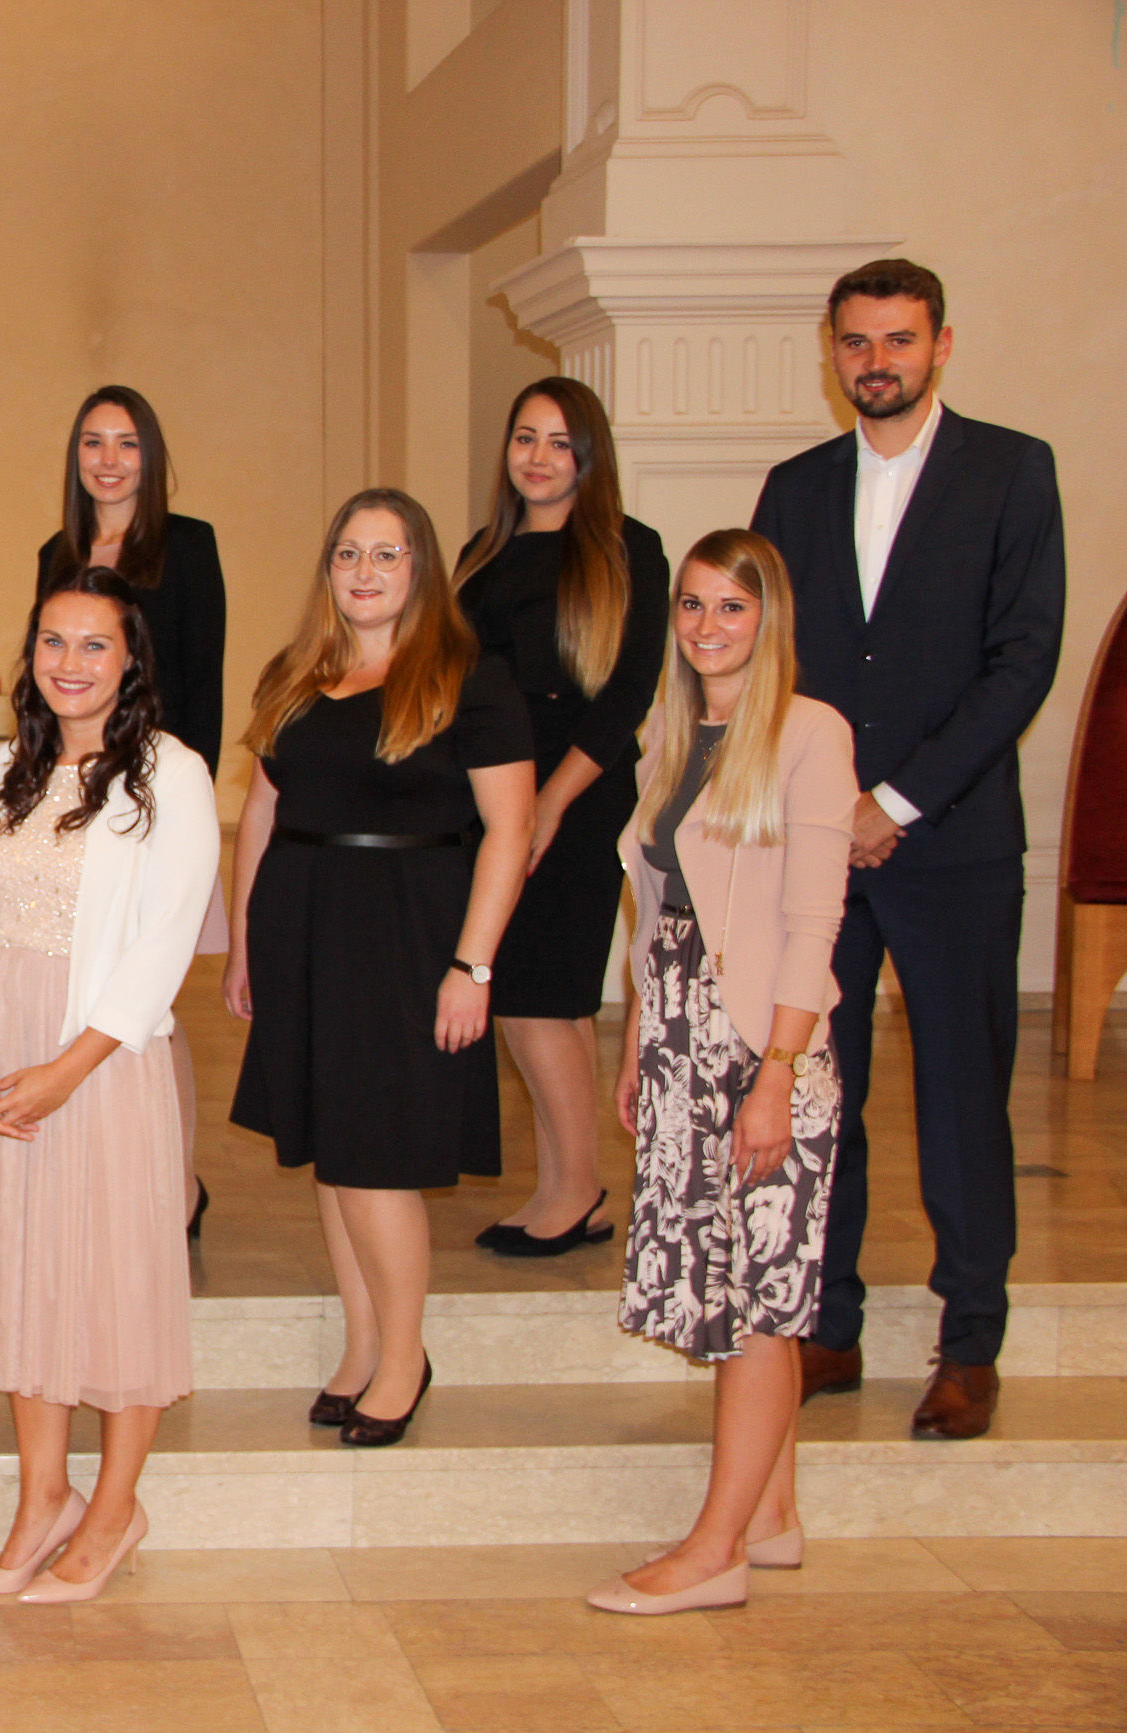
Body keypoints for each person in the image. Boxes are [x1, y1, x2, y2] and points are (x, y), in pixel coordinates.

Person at [750, 259, 1066, 1440]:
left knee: (961, 1100)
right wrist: (823, 804)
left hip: (954, 844)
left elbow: (1021, 659)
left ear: (940, 345)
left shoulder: (1009, 470)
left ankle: (968, 1339)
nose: (873, 361)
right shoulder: (792, 489)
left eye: (896, 339)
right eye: (854, 341)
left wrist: (896, 798)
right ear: (829, 351)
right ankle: (826, 1324)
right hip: (818, 851)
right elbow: (765, 658)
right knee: (818, 1092)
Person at [224, 489, 533, 1447]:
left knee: (377, 1158)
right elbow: (263, 813)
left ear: (421, 567)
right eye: (348, 554)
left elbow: (511, 831)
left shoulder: (468, 678)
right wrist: (244, 943)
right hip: (303, 928)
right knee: (333, 1149)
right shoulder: (295, 674)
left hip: (407, 933)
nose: (365, 572)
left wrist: (473, 967)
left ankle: (405, 1356)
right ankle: (362, 1346)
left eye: (387, 554)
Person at [0, 565, 217, 1603]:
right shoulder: (1, 769)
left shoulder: (170, 773)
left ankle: (113, 1509)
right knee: (24, 1271)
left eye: (94, 643)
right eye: (52, 640)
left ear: (130, 659)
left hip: (100, 1055)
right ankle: (41, 1498)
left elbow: (162, 944)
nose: (69, 662)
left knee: (110, 1277)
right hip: (3, 1049)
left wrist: (65, 1069)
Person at [587, 530, 854, 1616]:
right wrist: (634, 1040)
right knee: (727, 1281)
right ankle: (772, 1514)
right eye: (692, 605)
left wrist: (775, 1075)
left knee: (757, 1303)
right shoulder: (667, 728)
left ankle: (716, 1548)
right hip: (676, 1039)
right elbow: (655, 904)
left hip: (761, 1043)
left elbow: (814, 921)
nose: (706, 626)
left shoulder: (807, 732)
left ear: (768, 618)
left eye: (731, 607)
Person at [452, 378, 669, 1255]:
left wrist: (550, 800)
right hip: (495, 790)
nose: (538, 457)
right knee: (549, 1000)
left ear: (589, 456)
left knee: (536, 996)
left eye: (559, 441)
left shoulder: (627, 549)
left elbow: (628, 693)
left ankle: (576, 1187)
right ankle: (566, 1184)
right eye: (525, 438)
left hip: (575, 794)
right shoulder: (480, 554)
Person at [35, 386, 229, 1239]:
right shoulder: (56, 552)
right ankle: (107, 1176)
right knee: (89, 993)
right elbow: (50, 683)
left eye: (126, 443)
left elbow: (204, 688)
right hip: (77, 806)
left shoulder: (188, 545)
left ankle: (177, 1187)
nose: (108, 460)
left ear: (150, 456)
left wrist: (175, 810)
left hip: (155, 801)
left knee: (153, 1008)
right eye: (93, 442)